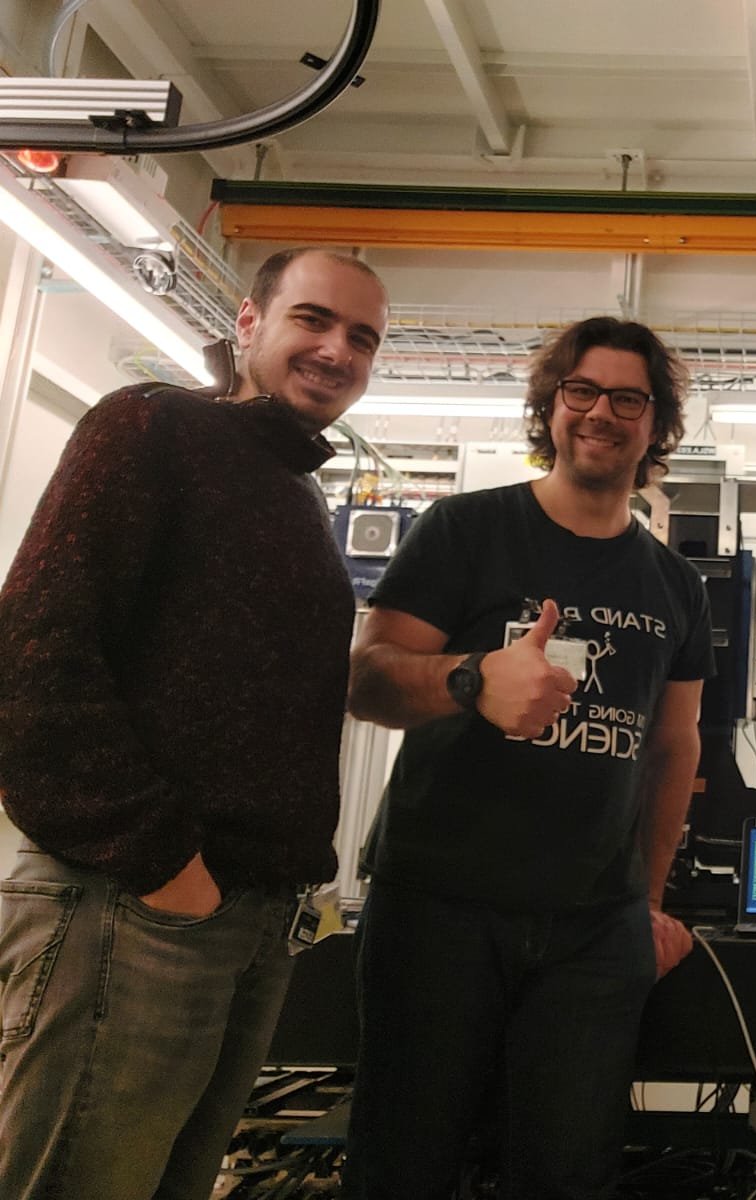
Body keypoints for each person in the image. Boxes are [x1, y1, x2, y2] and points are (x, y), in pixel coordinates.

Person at [0, 247, 389, 1200]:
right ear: (248, 322)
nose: (337, 350)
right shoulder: (153, 426)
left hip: (240, 914)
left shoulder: (293, 489)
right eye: (313, 319)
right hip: (132, 903)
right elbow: (32, 657)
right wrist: (164, 868)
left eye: (362, 337)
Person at [342, 315, 713, 1200]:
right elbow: (367, 681)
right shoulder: (465, 530)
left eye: (629, 399)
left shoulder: (675, 584)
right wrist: (473, 679)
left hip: (592, 929)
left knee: (567, 1174)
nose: (602, 413)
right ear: (550, 405)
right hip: (439, 909)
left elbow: (674, 746)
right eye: (582, 391)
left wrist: (648, 901)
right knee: (405, 1166)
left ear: (656, 426)